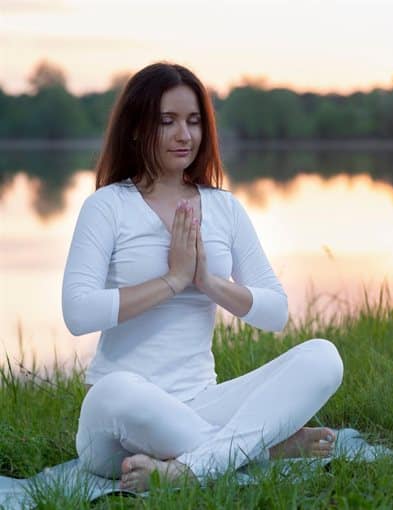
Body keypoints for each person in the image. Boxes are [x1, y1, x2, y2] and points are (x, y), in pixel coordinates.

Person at [61, 62, 344, 492]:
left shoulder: (224, 208)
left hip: (201, 405)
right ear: (137, 128)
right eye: (167, 121)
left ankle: (192, 468)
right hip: (117, 421)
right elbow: (78, 312)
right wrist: (173, 280)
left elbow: (276, 312)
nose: (184, 135)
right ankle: (260, 448)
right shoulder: (107, 206)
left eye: (193, 121)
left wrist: (209, 283)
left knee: (324, 357)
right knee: (115, 391)